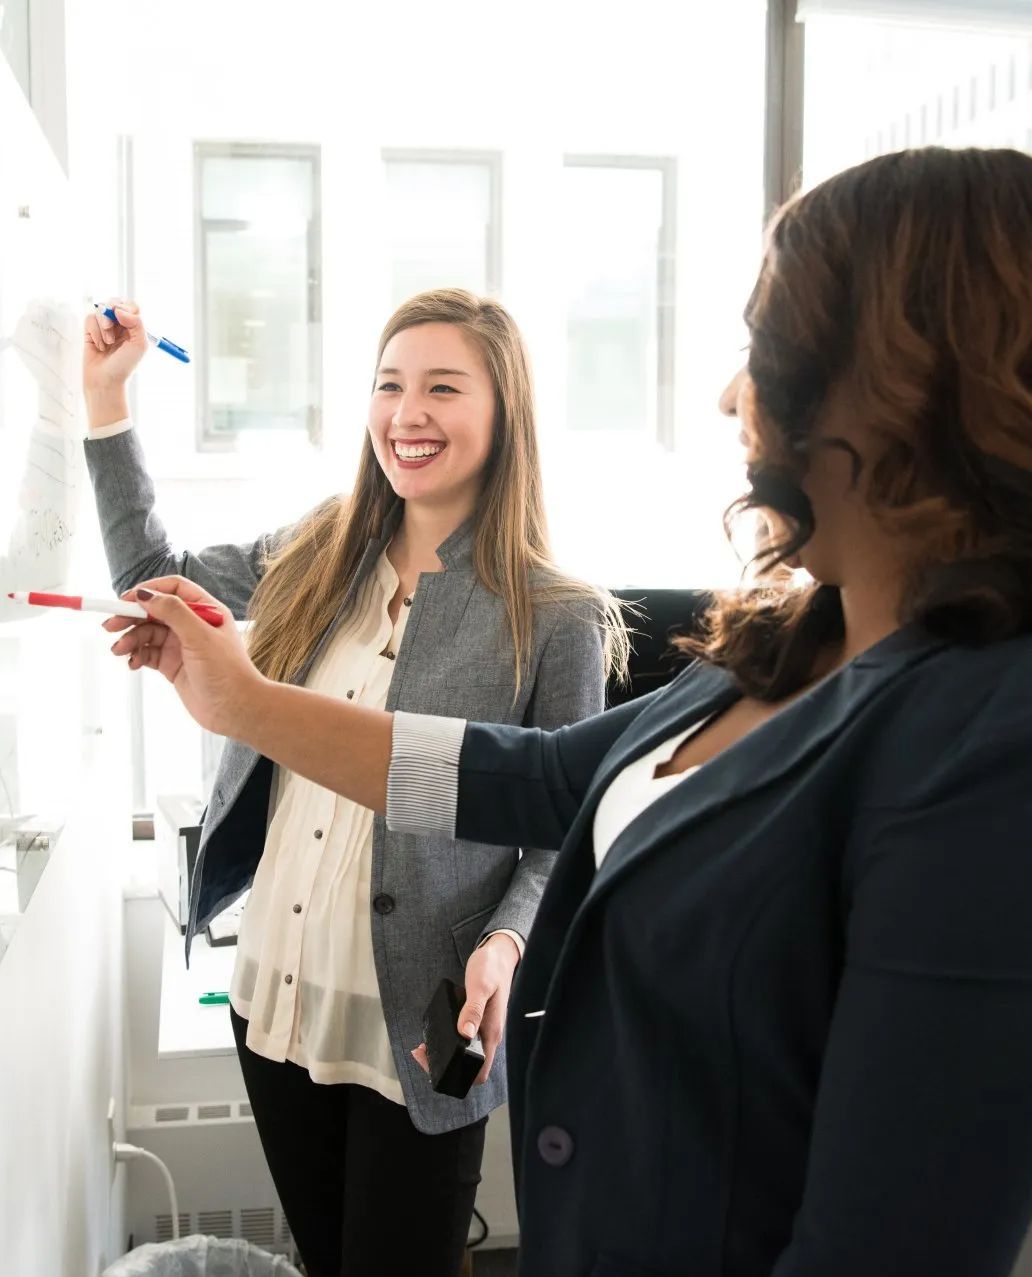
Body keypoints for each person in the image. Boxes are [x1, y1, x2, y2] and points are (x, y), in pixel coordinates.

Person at [101, 149, 1032, 1276]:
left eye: (763, 346)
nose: (731, 393)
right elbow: (532, 777)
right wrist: (245, 703)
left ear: (903, 381)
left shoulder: (1022, 745)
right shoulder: (789, 642)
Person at [80, 289, 626, 1276]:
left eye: (441, 388)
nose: (405, 414)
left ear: (504, 412)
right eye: (388, 385)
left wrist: (505, 944)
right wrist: (106, 403)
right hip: (277, 990)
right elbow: (150, 574)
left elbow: (566, 827)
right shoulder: (318, 548)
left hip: (433, 1014)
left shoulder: (556, 614)